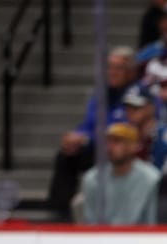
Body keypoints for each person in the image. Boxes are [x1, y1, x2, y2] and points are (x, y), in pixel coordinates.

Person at [46, 46, 143, 221]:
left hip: (124, 150)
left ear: (131, 71)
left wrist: (88, 138)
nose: (112, 72)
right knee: (66, 156)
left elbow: (127, 127)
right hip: (99, 146)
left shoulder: (140, 94)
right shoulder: (102, 93)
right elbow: (89, 124)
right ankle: (58, 215)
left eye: (118, 68)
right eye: (109, 67)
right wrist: (77, 136)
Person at [78, 123, 160, 225]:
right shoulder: (92, 179)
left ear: (134, 146)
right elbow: (89, 222)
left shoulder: (151, 178)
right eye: (108, 142)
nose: (110, 147)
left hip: (139, 238)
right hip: (101, 239)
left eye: (117, 141)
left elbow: (152, 222)